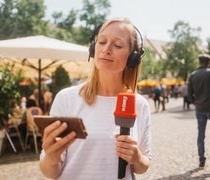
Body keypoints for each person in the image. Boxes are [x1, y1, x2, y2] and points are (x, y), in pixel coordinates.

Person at [39, 17, 152, 179]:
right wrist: (51, 157)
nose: (106, 49)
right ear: (93, 48)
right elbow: (50, 172)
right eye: (102, 41)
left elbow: (143, 166)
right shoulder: (66, 99)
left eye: (117, 45)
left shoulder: (140, 104)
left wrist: (137, 158)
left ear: (133, 57)